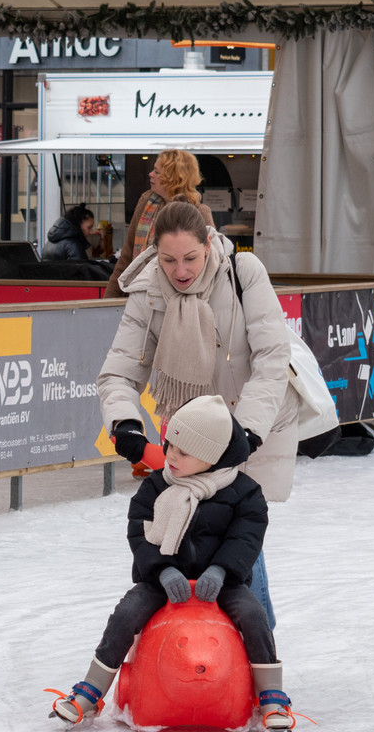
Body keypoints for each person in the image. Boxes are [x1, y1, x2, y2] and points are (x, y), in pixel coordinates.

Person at [97, 200, 299, 628]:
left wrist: (246, 431)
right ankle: (203, 637)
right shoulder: (149, 292)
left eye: (190, 257)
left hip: (252, 421)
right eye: (168, 260)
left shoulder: (243, 273)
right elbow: (119, 371)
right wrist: (125, 423)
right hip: (191, 436)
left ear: (208, 245)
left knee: (238, 523)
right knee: (193, 524)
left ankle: (256, 639)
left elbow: (271, 358)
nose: (180, 270)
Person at [48, 395, 295, 732]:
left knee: (254, 615)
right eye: (170, 446)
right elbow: (140, 531)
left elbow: (246, 538)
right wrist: (162, 569)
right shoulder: (156, 485)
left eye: (184, 452)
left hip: (223, 581)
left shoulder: (245, 493)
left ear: (211, 457)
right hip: (161, 579)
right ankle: (91, 691)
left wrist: (221, 570)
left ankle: (270, 697)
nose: (171, 457)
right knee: (126, 614)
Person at [104, 149, 212, 299]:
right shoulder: (146, 202)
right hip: (139, 295)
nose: (150, 174)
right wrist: (109, 300)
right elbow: (127, 257)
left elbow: (211, 263)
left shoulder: (199, 212)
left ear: (173, 177)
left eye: (156, 171)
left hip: (180, 298)